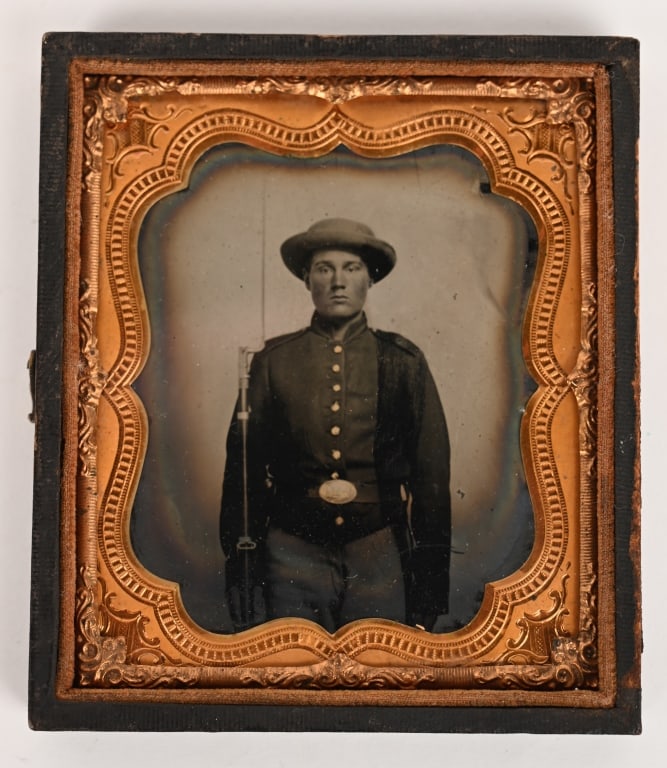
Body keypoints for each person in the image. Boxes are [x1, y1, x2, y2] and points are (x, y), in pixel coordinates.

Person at [220, 218, 451, 633]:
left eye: (352, 268)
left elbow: (431, 480)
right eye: (325, 268)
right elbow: (243, 473)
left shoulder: (402, 361)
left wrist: (429, 585)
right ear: (307, 278)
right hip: (290, 553)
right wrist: (239, 569)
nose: (338, 281)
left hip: (377, 552)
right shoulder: (272, 361)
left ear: (370, 279)